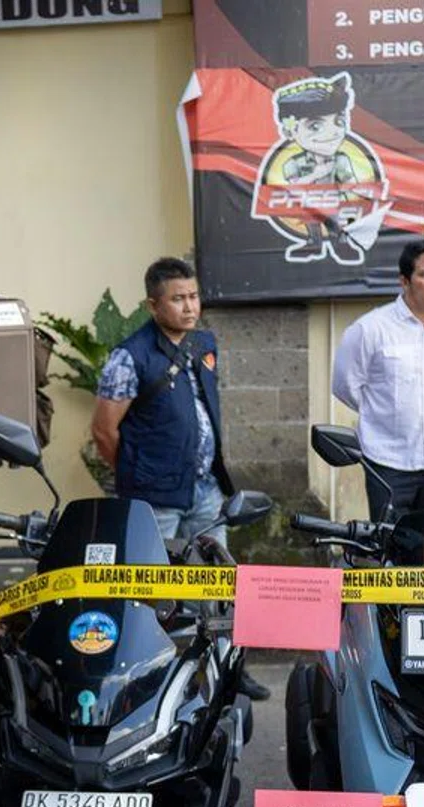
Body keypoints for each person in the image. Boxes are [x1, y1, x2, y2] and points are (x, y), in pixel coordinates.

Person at [90, 257, 264, 699]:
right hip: (155, 498)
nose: (189, 307)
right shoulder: (129, 357)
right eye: (178, 299)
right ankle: (150, 681)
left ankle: (227, 670)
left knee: (220, 587)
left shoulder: (204, 342)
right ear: (153, 305)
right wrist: (138, 476)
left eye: (193, 296)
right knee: (153, 594)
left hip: (206, 489)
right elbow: (104, 430)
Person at [332, 240, 424, 518]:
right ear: (404, 281)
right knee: (391, 550)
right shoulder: (370, 329)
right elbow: (344, 386)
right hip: (388, 463)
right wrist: (383, 412)